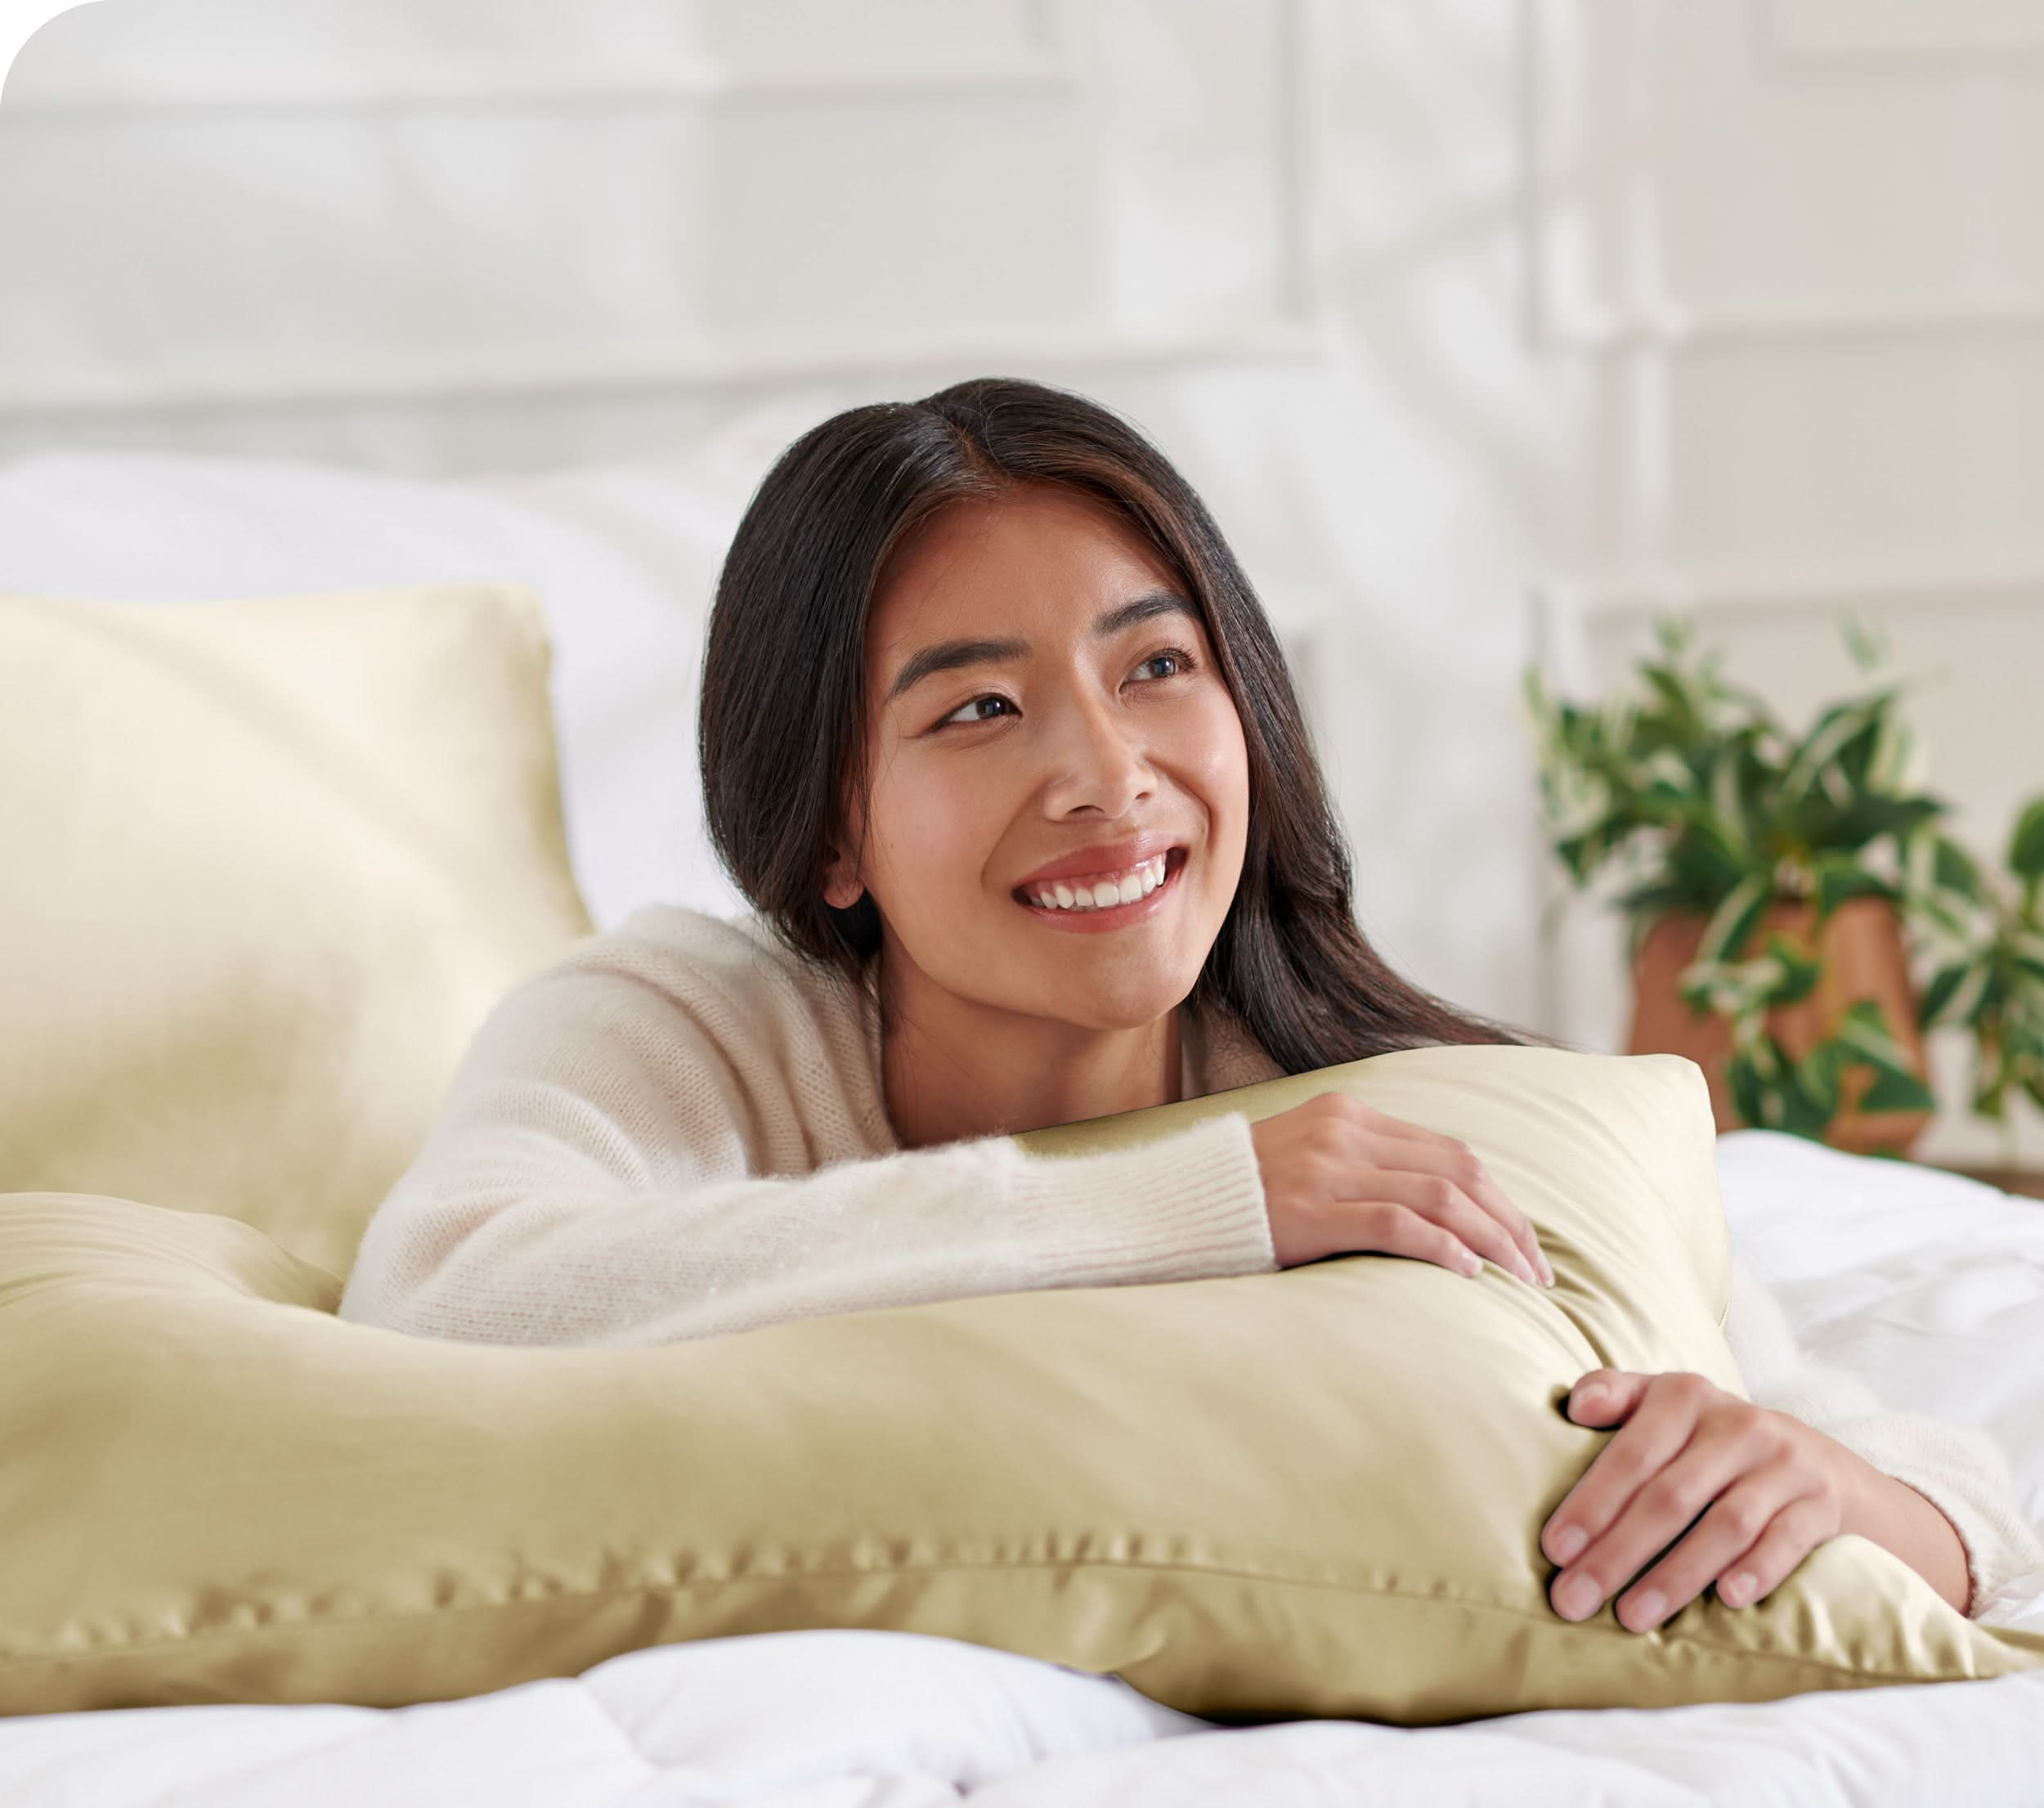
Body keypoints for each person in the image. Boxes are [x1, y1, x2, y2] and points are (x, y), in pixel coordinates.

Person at [338, 375, 2042, 1631]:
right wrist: (1195, 1206)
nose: (1105, 773)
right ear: (832, 822)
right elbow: (442, 1298)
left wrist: (1845, 1496)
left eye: (1156, 667)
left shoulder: (1403, 1111)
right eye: (978, 709)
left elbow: (1948, 1499)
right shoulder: (688, 1019)